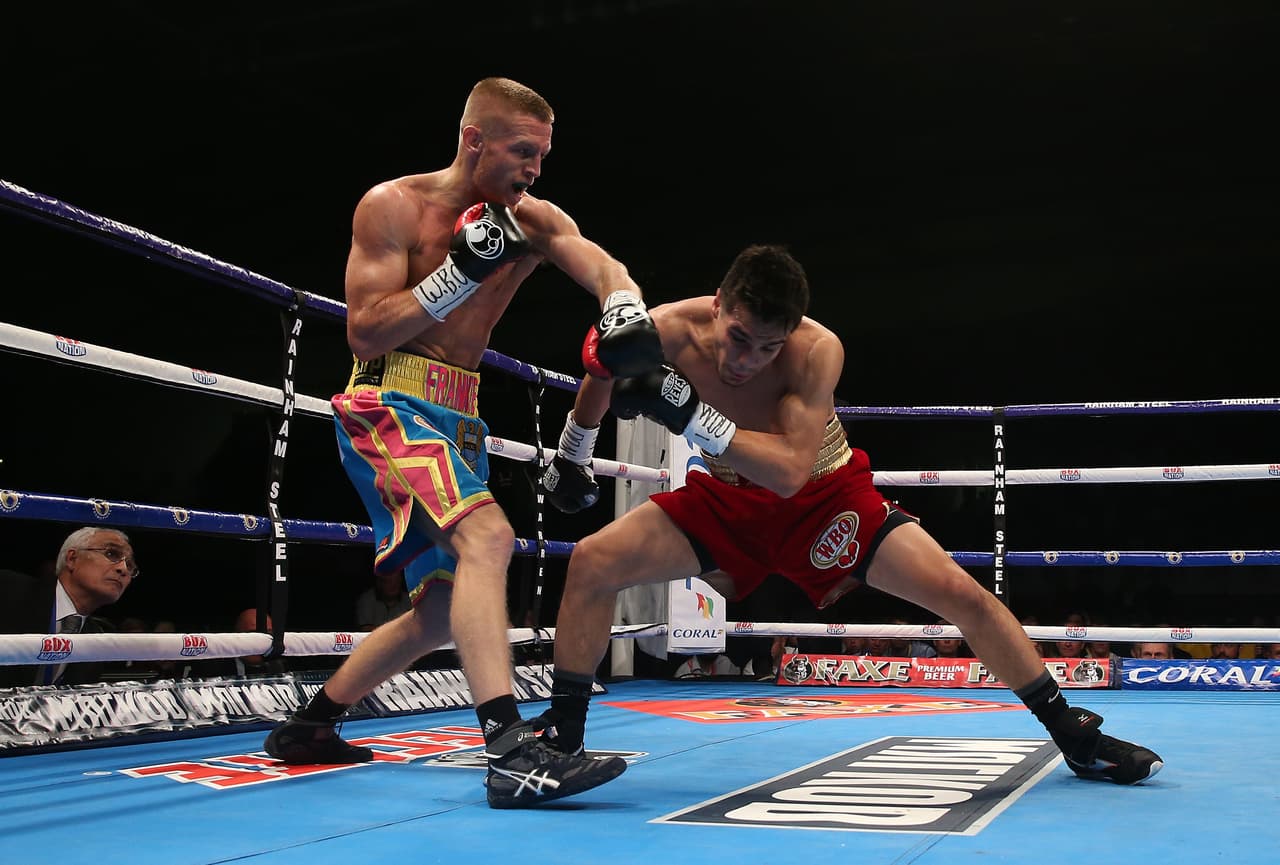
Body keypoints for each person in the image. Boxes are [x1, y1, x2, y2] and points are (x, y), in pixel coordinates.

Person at [537, 243, 1162, 785]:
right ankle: (561, 740)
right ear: (719, 304)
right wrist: (574, 451)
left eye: (767, 347)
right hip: (726, 500)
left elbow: (788, 471)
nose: (747, 359)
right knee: (592, 562)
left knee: (962, 595)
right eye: (739, 338)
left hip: (825, 498)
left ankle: (1071, 733)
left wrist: (689, 413)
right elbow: (606, 361)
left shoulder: (816, 351)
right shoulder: (668, 328)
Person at [262, 77, 659, 808]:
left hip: (461, 414)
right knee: (489, 536)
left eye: (542, 156)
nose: (533, 170)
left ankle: (310, 725)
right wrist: (456, 275)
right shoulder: (394, 206)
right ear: (474, 140)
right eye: (521, 152)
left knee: (443, 610)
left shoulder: (530, 219)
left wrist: (623, 306)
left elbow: (601, 263)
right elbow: (364, 332)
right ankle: (509, 751)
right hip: (386, 401)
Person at [0, 526, 138, 687]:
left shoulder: (96, 640)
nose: (123, 569)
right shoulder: (7, 589)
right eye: (111, 554)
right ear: (72, 559)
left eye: (129, 565)